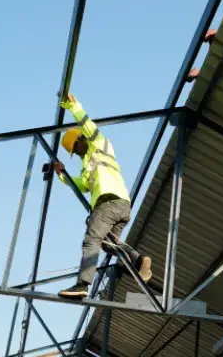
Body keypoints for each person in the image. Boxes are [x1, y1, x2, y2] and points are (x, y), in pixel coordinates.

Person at [53, 93, 152, 298]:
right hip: (121, 205)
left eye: (76, 148)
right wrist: (62, 174)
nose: (77, 153)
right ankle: (139, 260)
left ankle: (82, 284)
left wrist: (74, 107)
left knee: (92, 239)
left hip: (109, 202)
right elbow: (82, 185)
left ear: (81, 139)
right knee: (108, 244)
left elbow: (88, 124)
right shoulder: (86, 164)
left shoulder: (99, 144)